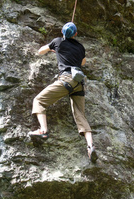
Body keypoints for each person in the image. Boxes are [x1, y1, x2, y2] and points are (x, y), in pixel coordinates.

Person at [28, 22, 98, 162]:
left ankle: (43, 130)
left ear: (62, 32)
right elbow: (82, 63)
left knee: (39, 100)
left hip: (66, 79)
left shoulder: (58, 41)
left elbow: (41, 50)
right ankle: (90, 146)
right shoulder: (80, 47)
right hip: (79, 83)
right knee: (80, 115)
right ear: (76, 34)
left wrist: (54, 49)